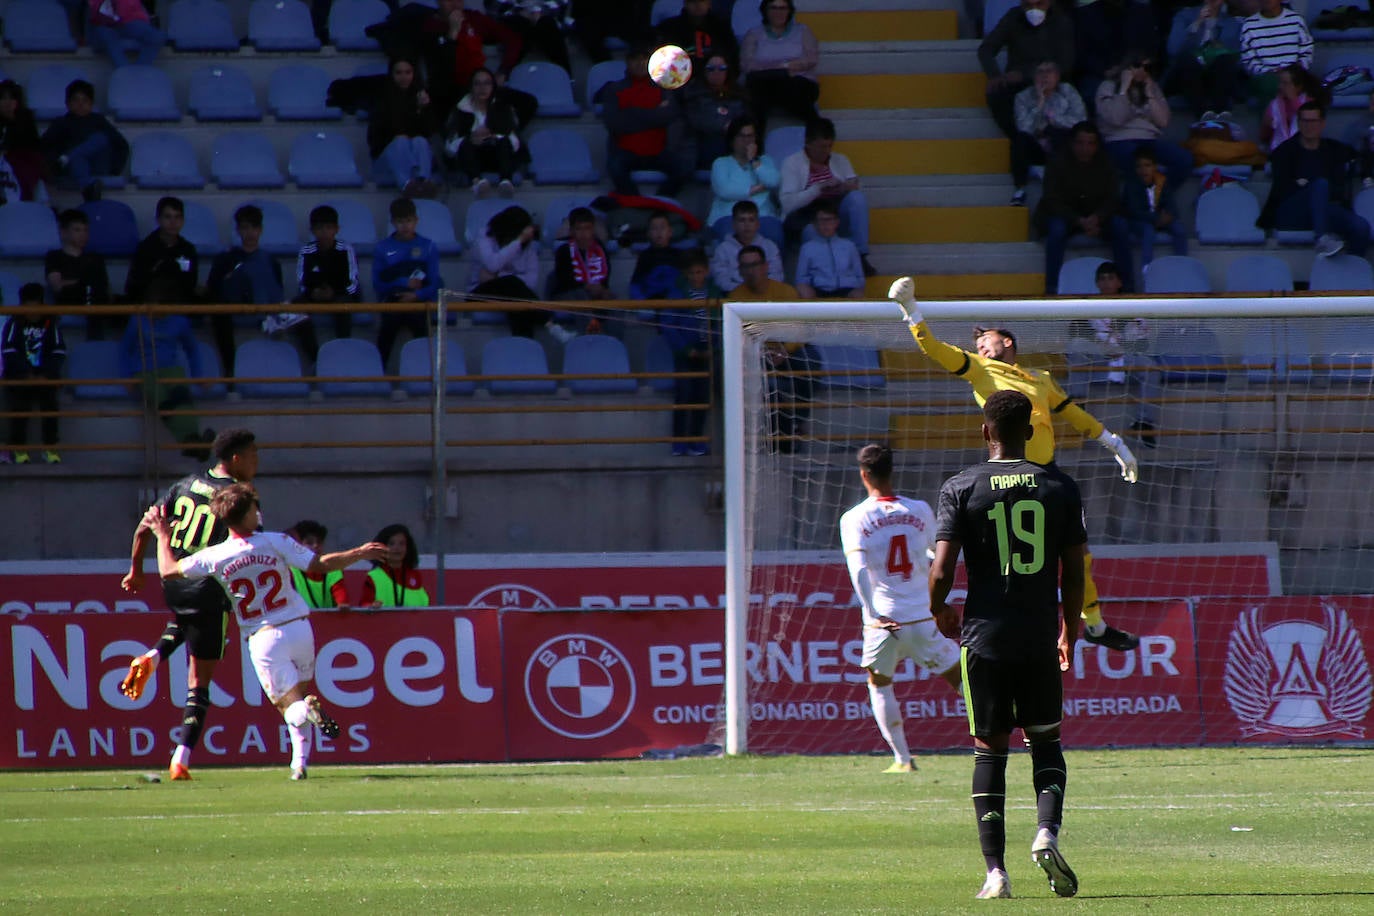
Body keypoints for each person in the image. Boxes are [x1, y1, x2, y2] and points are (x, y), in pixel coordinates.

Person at [888, 275, 1142, 652]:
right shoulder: (978, 368)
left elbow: (1072, 413)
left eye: (984, 340)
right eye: (976, 344)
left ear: (1006, 341)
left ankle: (1096, 625)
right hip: (1007, 475)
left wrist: (1114, 442)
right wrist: (911, 311)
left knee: (1079, 558)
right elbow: (936, 351)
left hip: (1048, 475)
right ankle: (991, 626)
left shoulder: (1040, 378)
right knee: (1009, 560)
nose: (979, 347)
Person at [928, 389, 1084, 900]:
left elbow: (942, 571)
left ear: (985, 431)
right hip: (1038, 635)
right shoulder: (1060, 486)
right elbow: (1075, 567)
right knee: (1046, 741)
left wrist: (940, 609)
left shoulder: (961, 487)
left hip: (985, 638)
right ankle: (1046, 832)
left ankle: (995, 873)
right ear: (1033, 431)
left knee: (989, 750)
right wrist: (1070, 630)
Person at [145, 483, 388, 779]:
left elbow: (168, 570)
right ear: (246, 514)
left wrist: (162, 536)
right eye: (253, 509)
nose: (258, 513)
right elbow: (321, 565)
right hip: (299, 628)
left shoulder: (215, 555)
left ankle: (304, 728)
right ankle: (299, 765)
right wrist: (359, 553)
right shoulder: (276, 542)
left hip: (264, 638)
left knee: (291, 707)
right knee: (300, 695)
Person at [118, 429, 259, 781]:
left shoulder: (185, 484)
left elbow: (145, 526)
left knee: (187, 618)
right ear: (236, 459)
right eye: (254, 455)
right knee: (199, 682)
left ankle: (153, 656)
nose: (258, 462)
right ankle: (180, 759)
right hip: (209, 588)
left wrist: (136, 570)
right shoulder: (239, 498)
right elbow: (250, 546)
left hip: (174, 583)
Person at [840, 443, 961, 773]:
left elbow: (860, 570)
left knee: (879, 683)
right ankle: (1003, 735)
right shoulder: (920, 509)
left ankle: (903, 759)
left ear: (864, 475)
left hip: (885, 622)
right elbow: (939, 560)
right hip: (924, 615)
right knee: (962, 679)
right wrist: (942, 602)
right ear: (892, 471)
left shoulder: (853, 518)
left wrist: (873, 612)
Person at [120, 275, 217, 459]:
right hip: (144, 370)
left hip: (171, 367)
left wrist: (197, 376)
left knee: (183, 401)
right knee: (164, 403)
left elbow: (192, 349)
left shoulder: (179, 321)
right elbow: (125, 349)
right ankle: (194, 443)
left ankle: (193, 443)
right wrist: (127, 376)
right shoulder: (137, 320)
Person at [1034, 121, 1134, 296]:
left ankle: (1127, 288)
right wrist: (1078, 220)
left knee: (1120, 226)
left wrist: (1097, 218)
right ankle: (1051, 288)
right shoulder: (1057, 163)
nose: (1085, 148)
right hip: (1067, 218)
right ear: (1072, 143)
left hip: (1098, 218)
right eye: (1080, 143)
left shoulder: (1106, 163)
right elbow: (1051, 200)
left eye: (1090, 143)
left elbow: (1113, 198)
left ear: (1097, 145)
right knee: (1056, 230)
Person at [1258, 101, 1368, 259]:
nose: (1309, 126)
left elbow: (1361, 156)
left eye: (1313, 121)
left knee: (1361, 227)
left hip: (1324, 210)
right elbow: (1282, 190)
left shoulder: (1334, 149)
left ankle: (1353, 274)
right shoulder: (1284, 152)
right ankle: (1321, 239)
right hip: (1291, 213)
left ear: (1322, 123)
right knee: (1320, 184)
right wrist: (1309, 187)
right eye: (1304, 121)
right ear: (1299, 123)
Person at [779, 118, 874, 276]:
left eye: (829, 146)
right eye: (821, 147)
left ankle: (860, 254)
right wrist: (818, 189)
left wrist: (845, 186)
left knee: (857, 198)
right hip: (807, 216)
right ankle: (822, 274)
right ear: (808, 143)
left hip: (834, 211)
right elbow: (788, 204)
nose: (826, 151)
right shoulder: (791, 163)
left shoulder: (840, 160)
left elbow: (856, 185)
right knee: (812, 232)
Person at [600, 40, 694, 197]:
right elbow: (614, 123)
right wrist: (654, 115)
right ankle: (637, 204)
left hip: (659, 152)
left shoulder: (663, 88)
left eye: (644, 59)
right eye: (635, 59)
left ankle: (661, 202)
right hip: (626, 152)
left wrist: (631, 113)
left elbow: (670, 115)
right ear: (627, 62)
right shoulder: (613, 89)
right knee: (614, 168)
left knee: (684, 168)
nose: (640, 63)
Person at [469, 204, 572, 341]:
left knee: (517, 302)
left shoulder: (528, 247)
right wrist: (517, 242)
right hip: (479, 292)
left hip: (513, 294)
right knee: (514, 288)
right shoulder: (484, 238)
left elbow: (532, 281)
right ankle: (551, 326)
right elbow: (493, 264)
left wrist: (498, 276)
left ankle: (524, 348)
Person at [977, 0, 1074, 145]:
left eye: (1039, 4)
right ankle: (1020, 139)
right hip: (1017, 84)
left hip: (1052, 83)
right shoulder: (1013, 17)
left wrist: (1028, 74)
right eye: (1028, 5)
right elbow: (986, 49)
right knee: (996, 94)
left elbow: (1067, 63)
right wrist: (994, 75)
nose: (1033, 9)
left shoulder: (1062, 21)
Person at [207, 205, 289, 375]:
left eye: (254, 228)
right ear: (238, 230)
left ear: (260, 230)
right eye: (245, 227)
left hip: (263, 302)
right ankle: (230, 369)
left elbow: (277, 287)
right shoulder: (225, 259)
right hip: (233, 303)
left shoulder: (271, 261)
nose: (250, 233)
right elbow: (213, 288)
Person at [1094, 52, 1196, 184]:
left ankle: (1160, 194)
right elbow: (1116, 118)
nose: (1142, 71)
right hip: (1119, 140)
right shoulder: (1107, 86)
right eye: (1137, 66)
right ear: (1127, 67)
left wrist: (1150, 94)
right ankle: (1140, 198)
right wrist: (1124, 88)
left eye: (1147, 68)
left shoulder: (1153, 88)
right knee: (1139, 162)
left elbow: (1163, 121)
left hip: (1148, 140)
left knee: (1184, 159)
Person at [663, 249, 721, 456]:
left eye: (699, 272)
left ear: (706, 271)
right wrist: (686, 350)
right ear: (685, 274)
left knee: (702, 397)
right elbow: (669, 325)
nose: (696, 277)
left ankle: (696, 441)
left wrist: (714, 348)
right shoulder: (676, 293)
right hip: (685, 355)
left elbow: (721, 324)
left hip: (708, 352)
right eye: (692, 273)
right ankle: (679, 442)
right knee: (684, 396)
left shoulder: (714, 292)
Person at [0, 283, 66, 466]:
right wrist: (25, 373)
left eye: (36, 305)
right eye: (28, 306)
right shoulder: (13, 323)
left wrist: (47, 374)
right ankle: (19, 450)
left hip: (45, 376)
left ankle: (50, 449)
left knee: (51, 405)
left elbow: (59, 351)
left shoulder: (51, 323)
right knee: (19, 407)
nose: (32, 311)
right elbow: (9, 351)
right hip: (21, 376)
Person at [422, 0, 523, 117]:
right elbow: (441, 66)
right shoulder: (430, 26)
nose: (455, 4)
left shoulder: (474, 19)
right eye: (449, 0)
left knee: (526, 103)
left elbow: (512, 39)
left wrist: (503, 71)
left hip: (479, 82)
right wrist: (453, 33)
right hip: (450, 88)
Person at [374, 197, 443, 365]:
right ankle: (378, 372)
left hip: (419, 301)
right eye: (400, 221)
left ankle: (427, 372)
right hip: (393, 300)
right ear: (392, 222)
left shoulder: (428, 246)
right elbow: (378, 283)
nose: (405, 226)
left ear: (416, 221)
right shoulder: (382, 247)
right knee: (387, 329)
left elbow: (435, 283)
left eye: (409, 221)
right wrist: (404, 283)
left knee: (422, 330)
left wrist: (417, 294)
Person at [39, 79, 129, 200]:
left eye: (85, 100)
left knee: (100, 138)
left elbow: (121, 145)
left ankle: (68, 157)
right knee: (77, 159)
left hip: (99, 166)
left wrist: (114, 171)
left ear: (91, 104)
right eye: (76, 100)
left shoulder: (99, 121)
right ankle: (88, 190)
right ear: (67, 103)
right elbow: (45, 146)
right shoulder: (60, 123)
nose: (80, 104)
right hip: (74, 170)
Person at [1010, 60, 1084, 206]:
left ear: (1057, 76)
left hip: (1061, 141)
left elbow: (1080, 121)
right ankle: (1019, 190)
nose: (1045, 76)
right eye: (1040, 72)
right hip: (1036, 145)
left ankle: (1061, 183)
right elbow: (1023, 128)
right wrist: (1040, 103)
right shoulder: (1022, 97)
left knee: (1058, 133)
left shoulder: (1068, 91)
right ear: (1033, 77)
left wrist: (1051, 118)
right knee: (1019, 140)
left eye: (1049, 71)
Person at [443, 67, 525, 197]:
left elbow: (515, 143)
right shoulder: (460, 109)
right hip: (471, 159)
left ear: (493, 86)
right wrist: (472, 138)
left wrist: (494, 137)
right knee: (465, 143)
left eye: (487, 83)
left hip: (496, 156)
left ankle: (505, 182)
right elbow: (449, 148)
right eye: (477, 83)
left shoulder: (502, 108)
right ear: (471, 87)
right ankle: (477, 183)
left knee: (504, 141)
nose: (482, 88)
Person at [738, 0, 819, 132]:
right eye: (773, 8)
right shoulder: (754, 34)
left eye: (782, 8)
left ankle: (815, 135)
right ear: (766, 11)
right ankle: (756, 145)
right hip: (765, 83)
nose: (778, 12)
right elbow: (747, 64)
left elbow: (811, 59)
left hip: (797, 83)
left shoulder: (803, 31)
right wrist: (784, 66)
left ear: (789, 11)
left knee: (796, 90)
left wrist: (771, 66)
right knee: (756, 90)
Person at [369, 57, 440, 199]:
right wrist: (394, 139)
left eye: (408, 72)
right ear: (392, 74)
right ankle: (407, 185)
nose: (404, 77)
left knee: (420, 141)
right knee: (400, 142)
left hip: (413, 158)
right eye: (399, 73)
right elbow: (374, 139)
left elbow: (430, 132)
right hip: (387, 159)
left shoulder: (421, 98)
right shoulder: (382, 100)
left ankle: (423, 181)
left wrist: (423, 109)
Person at [1163, 0, 1245, 120]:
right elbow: (1173, 49)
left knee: (1225, 60)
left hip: (1214, 74)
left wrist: (1222, 48)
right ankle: (1203, 113)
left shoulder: (1232, 24)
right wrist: (1197, 24)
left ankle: (1221, 112)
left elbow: (1238, 59)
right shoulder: (1184, 16)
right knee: (1188, 60)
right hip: (1185, 72)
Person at [293, 204, 362, 344]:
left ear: (336, 229)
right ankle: (315, 358)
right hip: (314, 295)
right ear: (312, 231)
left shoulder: (346, 249)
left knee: (343, 305)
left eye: (328, 228)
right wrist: (313, 292)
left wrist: (334, 292)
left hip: (341, 294)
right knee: (296, 307)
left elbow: (353, 284)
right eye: (319, 228)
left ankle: (343, 348)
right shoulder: (306, 250)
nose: (324, 232)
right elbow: (302, 282)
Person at [45, 209, 112, 340]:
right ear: (63, 232)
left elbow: (105, 287)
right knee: (91, 285)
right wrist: (83, 283)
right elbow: (57, 286)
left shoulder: (95, 258)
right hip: (70, 298)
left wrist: (78, 282)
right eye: (77, 230)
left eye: (85, 230)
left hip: (95, 298)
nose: (83, 234)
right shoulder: (54, 257)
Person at [1121, 145, 1188, 267]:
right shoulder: (1131, 185)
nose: (1143, 170)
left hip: (1160, 219)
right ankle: (1147, 267)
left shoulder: (1162, 181)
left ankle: (1182, 264)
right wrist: (1156, 218)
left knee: (1179, 229)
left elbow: (1171, 204)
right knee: (1148, 231)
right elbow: (1134, 211)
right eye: (1139, 166)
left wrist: (1169, 215)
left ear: (1154, 167)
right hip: (1140, 222)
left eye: (1147, 165)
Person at [125, 196, 199, 306]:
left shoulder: (188, 250)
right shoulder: (145, 249)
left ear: (183, 221)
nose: (173, 222)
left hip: (180, 308)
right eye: (168, 217)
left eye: (177, 217)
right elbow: (135, 286)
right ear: (158, 220)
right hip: (148, 309)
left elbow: (191, 285)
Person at [708, 116, 780, 227]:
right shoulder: (720, 163)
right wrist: (757, 188)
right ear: (732, 139)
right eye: (741, 136)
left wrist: (753, 160)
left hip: (762, 217)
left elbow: (773, 181)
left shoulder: (765, 161)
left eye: (750, 136)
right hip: (728, 217)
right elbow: (725, 191)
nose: (747, 141)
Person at [686, 53, 753, 168]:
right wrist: (724, 126)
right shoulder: (693, 94)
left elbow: (746, 119)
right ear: (704, 71)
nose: (716, 72)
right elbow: (695, 121)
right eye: (711, 69)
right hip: (706, 142)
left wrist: (732, 127)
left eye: (721, 68)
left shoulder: (739, 94)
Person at [1239, 0, 1313, 102]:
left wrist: (1292, 71)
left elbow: (1306, 51)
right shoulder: (1249, 25)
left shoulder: (1296, 20)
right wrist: (1269, 72)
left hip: (1294, 73)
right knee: (1270, 84)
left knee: (1294, 82)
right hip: (1265, 77)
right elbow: (1249, 61)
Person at [794, 201, 865, 299]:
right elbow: (801, 277)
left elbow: (859, 275)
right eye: (821, 221)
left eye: (829, 220)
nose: (825, 225)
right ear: (815, 224)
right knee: (803, 290)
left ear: (837, 222)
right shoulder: (807, 248)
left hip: (846, 288)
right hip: (819, 288)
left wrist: (856, 286)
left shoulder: (849, 246)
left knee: (858, 295)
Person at [710, 199, 784, 291]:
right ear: (734, 224)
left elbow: (777, 276)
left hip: (765, 296)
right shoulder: (722, 250)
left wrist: (759, 290)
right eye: (742, 220)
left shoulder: (770, 247)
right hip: (735, 297)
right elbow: (721, 280)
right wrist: (745, 292)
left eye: (751, 220)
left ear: (757, 224)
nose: (747, 225)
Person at [657, 0, 739, 80]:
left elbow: (732, 57)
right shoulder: (669, 28)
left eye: (702, 1)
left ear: (709, 3)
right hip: (679, 79)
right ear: (685, 3)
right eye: (693, 1)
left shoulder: (722, 27)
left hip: (714, 80)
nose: (698, 5)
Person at [486, 0, 573, 73]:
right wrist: (521, 13)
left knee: (547, 23)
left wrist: (540, 13)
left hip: (547, 23)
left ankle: (565, 77)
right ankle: (506, 76)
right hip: (516, 21)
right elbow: (495, 12)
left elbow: (564, 11)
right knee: (519, 23)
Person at [549, 206, 613, 301]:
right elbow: (565, 281)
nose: (583, 233)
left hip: (596, 292)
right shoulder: (563, 251)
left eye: (587, 228)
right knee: (582, 296)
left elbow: (605, 278)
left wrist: (601, 290)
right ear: (571, 231)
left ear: (593, 229)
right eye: (578, 229)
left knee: (612, 299)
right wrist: (588, 286)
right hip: (568, 295)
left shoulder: (601, 249)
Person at [286, 520, 352, 610]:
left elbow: (339, 591)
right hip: (301, 621)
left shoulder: (333, 567)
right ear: (298, 545)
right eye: (309, 542)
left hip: (329, 621)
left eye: (320, 542)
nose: (316, 546)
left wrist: (342, 603)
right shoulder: (290, 569)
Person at [360, 523, 432, 607]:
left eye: (402, 544)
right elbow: (364, 606)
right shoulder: (374, 577)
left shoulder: (414, 575)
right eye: (391, 544)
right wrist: (371, 607)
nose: (397, 548)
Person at [1258, 63, 1322, 153]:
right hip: (1279, 153)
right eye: (1280, 82)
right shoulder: (1274, 105)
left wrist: (1293, 99)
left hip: (1306, 153)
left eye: (1285, 83)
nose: (1280, 87)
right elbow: (1264, 136)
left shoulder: (1310, 102)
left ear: (1299, 87)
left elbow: (1313, 129)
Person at [0, 80, 45, 201]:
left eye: (12, 98)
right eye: (3, 98)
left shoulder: (26, 118)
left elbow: (32, 144)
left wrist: (12, 119)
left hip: (23, 159)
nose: (8, 102)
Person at [87, 0, 165, 68]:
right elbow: (97, 15)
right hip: (104, 27)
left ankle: (137, 73)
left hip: (128, 23)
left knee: (157, 36)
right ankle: (125, 71)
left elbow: (138, 14)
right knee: (105, 33)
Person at [628, 212, 683, 301]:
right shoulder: (645, 256)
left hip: (675, 304)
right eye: (654, 228)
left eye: (662, 227)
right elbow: (635, 285)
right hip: (652, 303)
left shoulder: (679, 254)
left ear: (670, 232)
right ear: (648, 233)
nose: (659, 232)